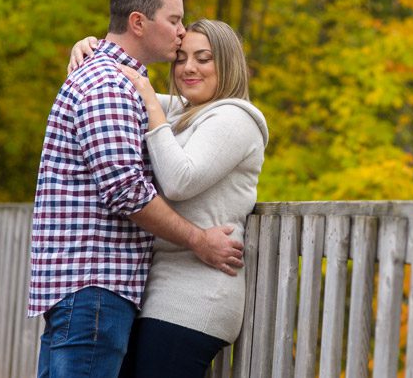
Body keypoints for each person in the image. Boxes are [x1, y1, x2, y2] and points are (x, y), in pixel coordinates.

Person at [28, 0, 244, 378]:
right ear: (139, 22)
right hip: (95, 284)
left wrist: (88, 45)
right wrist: (199, 240)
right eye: (175, 21)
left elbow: (188, 103)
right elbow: (127, 190)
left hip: (90, 290)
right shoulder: (110, 85)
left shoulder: (120, 81)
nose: (181, 33)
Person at [68, 19, 268, 378]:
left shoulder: (235, 119)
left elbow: (179, 180)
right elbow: (124, 88)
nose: (189, 67)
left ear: (228, 63)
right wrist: (91, 48)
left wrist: (151, 102)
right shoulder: (185, 114)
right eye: (181, 59)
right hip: (160, 293)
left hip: (196, 296)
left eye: (203, 58)